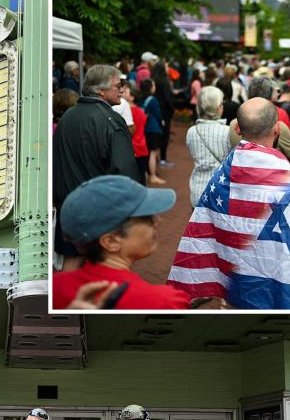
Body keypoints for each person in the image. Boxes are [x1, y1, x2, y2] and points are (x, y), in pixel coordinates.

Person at [169, 98, 290, 309]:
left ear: (238, 128)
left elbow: (206, 230)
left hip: (236, 289)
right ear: (277, 129)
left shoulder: (222, 176)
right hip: (273, 288)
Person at [52, 175, 190, 310]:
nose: (157, 221)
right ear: (111, 241)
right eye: (147, 218)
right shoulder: (165, 302)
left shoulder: (55, 287)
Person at [53, 64, 140, 270]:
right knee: (106, 265)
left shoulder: (67, 118)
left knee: (71, 261)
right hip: (99, 210)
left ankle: (67, 300)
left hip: (68, 205)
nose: (122, 89)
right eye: (118, 85)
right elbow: (124, 172)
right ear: (101, 90)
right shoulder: (112, 120)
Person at [226, 76, 290, 166]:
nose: (277, 93)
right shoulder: (280, 117)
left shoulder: (235, 122)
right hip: (273, 174)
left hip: (241, 172)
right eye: (275, 91)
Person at [186, 86, 231, 207]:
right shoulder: (228, 132)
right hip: (220, 192)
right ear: (217, 108)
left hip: (198, 190)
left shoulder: (192, 131)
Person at [139, 79, 168, 185]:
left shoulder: (141, 99)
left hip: (145, 128)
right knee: (153, 152)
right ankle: (153, 176)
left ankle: (149, 173)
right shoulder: (153, 100)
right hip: (153, 128)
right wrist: (162, 121)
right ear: (150, 87)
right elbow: (158, 114)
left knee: (148, 153)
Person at [122, 85, 151, 185]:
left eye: (125, 92)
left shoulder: (126, 112)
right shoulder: (141, 111)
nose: (122, 92)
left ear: (132, 97)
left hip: (131, 148)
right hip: (142, 147)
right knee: (141, 177)